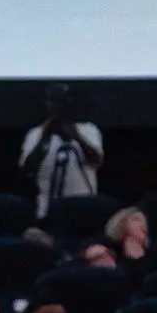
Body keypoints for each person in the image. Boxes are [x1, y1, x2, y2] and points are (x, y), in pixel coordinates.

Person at [19, 87, 102, 217]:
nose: (59, 107)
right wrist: (45, 138)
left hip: (83, 208)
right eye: (55, 102)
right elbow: (26, 169)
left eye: (64, 102)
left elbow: (96, 161)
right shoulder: (36, 134)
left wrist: (77, 137)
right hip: (48, 210)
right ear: (47, 104)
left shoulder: (88, 129)